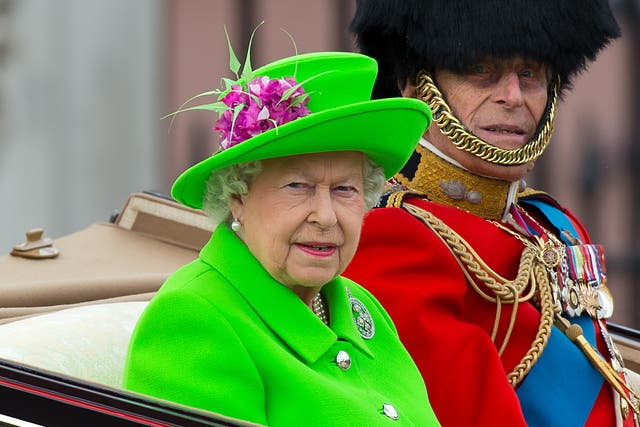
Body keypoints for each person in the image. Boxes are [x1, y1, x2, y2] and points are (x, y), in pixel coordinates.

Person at [343, 1, 640, 426]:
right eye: (481, 70)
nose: (513, 96)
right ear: (413, 85)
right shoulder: (396, 235)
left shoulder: (549, 223)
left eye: (530, 74)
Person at [123, 49, 440, 426]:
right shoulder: (192, 319)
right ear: (238, 197)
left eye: (344, 190)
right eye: (297, 186)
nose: (325, 216)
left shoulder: (363, 308)